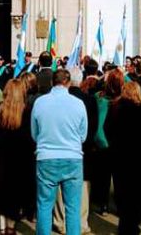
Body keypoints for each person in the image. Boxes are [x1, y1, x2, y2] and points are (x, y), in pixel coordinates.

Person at [31, 69, 87, 235]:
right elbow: (82, 135)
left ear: (51, 82)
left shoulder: (40, 102)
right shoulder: (78, 104)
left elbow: (35, 133)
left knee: (44, 206)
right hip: (72, 157)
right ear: (68, 83)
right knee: (73, 208)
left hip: (46, 157)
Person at [53, 68, 98, 234]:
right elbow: (91, 128)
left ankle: (60, 221)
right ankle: (82, 222)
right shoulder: (89, 100)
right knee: (83, 189)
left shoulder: (58, 100)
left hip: (59, 147)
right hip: (82, 148)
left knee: (60, 186)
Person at [0, 79, 35, 235]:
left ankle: (1, 228)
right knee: (15, 196)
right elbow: (32, 138)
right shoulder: (28, 112)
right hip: (20, 160)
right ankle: (11, 227)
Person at [105, 81, 141, 235]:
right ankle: (133, 224)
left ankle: (124, 225)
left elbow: (106, 128)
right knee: (135, 194)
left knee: (121, 192)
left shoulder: (115, 108)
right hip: (136, 158)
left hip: (118, 157)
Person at [91, 69, 123, 213]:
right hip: (111, 143)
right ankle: (112, 203)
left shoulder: (100, 97)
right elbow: (99, 127)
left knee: (104, 177)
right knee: (116, 177)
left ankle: (103, 203)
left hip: (106, 144)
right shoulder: (113, 99)